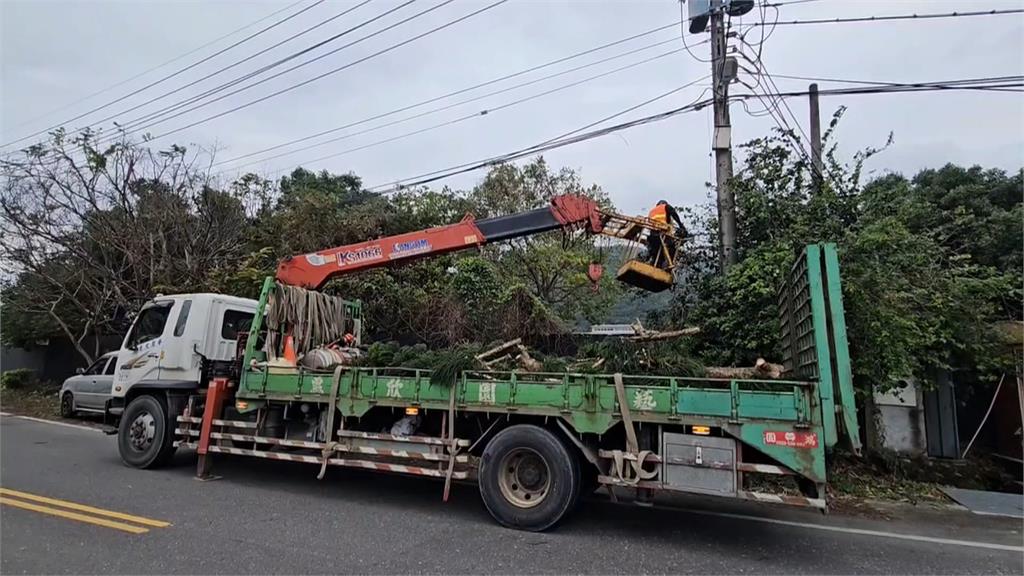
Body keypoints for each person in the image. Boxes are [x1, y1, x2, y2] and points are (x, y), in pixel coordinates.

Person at [645, 200, 686, 270]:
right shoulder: (665, 207)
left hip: (652, 236)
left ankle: (653, 264)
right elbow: (673, 213)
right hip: (662, 233)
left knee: (656, 253)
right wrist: (681, 225)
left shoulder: (651, 211)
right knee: (672, 248)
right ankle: (667, 266)